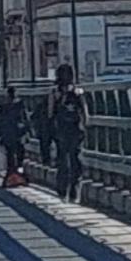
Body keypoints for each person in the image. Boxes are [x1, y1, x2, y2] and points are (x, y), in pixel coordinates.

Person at [47, 63, 87, 200]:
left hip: (61, 130)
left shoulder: (55, 93)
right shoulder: (78, 92)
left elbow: (50, 113)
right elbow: (85, 113)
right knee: (75, 159)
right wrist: (85, 127)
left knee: (62, 159)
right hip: (76, 129)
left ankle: (62, 189)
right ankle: (75, 190)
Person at [0, 86, 27, 187]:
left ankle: (11, 177)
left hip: (9, 135)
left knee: (11, 158)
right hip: (16, 135)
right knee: (18, 156)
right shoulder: (19, 106)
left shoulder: (4, 107)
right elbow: (25, 121)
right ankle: (16, 176)